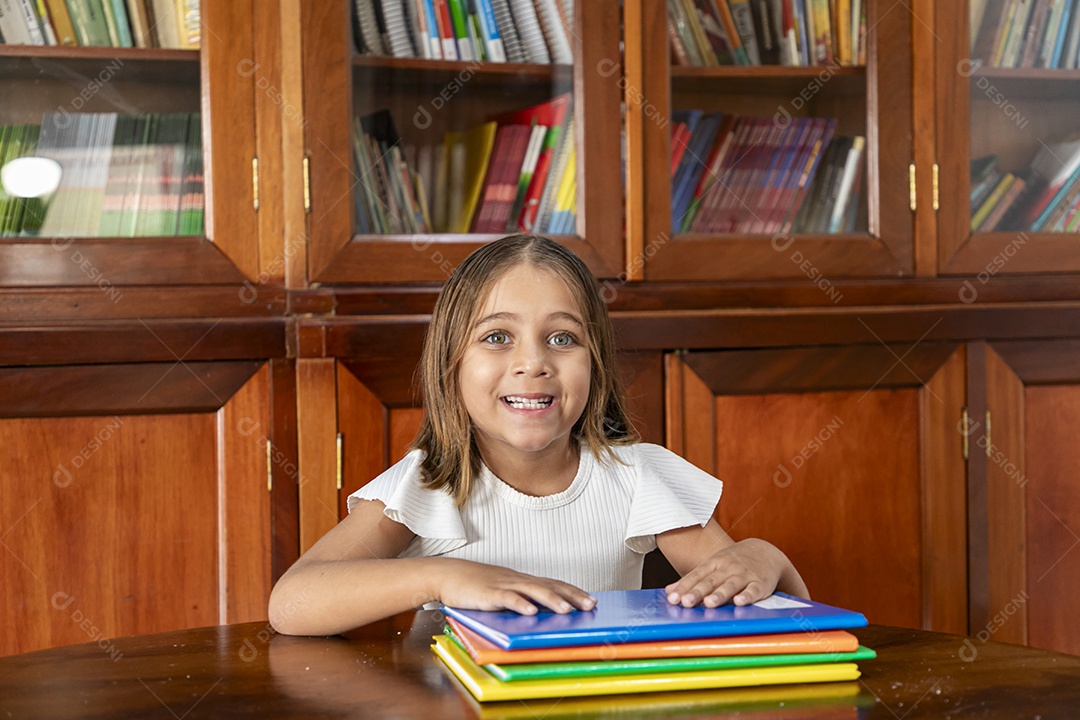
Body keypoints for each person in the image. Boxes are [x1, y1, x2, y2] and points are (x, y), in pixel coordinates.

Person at [269, 234, 807, 636]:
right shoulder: (426, 486)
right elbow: (292, 602)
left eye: (562, 338)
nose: (533, 362)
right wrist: (444, 577)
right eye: (498, 336)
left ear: (595, 362)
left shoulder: (641, 478)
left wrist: (765, 557)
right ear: (449, 364)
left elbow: (775, 620)